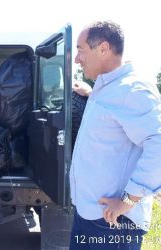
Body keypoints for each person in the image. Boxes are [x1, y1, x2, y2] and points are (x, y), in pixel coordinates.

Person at [70, 21, 161, 249]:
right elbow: (115, 116)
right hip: (88, 216)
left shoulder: (134, 89)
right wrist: (90, 93)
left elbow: (158, 143)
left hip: (113, 223)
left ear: (103, 48)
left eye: (81, 50)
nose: (76, 59)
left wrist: (128, 201)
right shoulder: (107, 88)